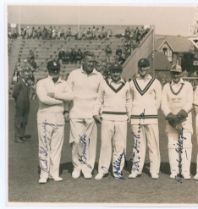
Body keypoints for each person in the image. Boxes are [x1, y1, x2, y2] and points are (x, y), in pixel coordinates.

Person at [67, 51, 103, 179]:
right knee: (77, 141)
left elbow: (100, 97)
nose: (91, 64)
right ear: (83, 61)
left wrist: (96, 112)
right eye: (88, 61)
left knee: (90, 143)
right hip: (76, 113)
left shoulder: (99, 76)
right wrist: (67, 110)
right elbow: (67, 94)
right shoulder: (73, 74)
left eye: (93, 62)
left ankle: (87, 167)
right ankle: (77, 166)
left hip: (91, 115)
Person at [36, 61, 73, 183]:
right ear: (48, 70)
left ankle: (54, 173)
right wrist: (60, 101)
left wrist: (55, 95)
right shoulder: (42, 83)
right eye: (52, 70)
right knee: (44, 147)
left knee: (56, 148)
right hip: (45, 118)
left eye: (56, 70)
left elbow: (71, 97)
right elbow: (43, 99)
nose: (54, 72)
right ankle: (44, 174)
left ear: (59, 70)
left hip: (59, 119)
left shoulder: (64, 83)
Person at [94, 63, 131, 180]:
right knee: (105, 144)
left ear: (121, 72)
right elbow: (99, 99)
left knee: (120, 145)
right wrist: (96, 113)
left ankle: (117, 170)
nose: (116, 74)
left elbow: (129, 100)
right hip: (107, 118)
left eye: (118, 72)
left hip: (121, 119)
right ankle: (103, 170)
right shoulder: (104, 84)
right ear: (110, 72)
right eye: (113, 72)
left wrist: (129, 114)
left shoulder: (126, 85)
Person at [128, 58, 162, 179]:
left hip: (151, 117)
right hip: (136, 117)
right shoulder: (132, 82)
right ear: (138, 68)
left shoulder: (155, 82)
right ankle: (136, 169)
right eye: (141, 67)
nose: (142, 69)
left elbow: (158, 100)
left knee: (153, 144)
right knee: (137, 144)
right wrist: (130, 114)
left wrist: (151, 110)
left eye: (145, 67)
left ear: (148, 68)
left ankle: (154, 170)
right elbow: (129, 100)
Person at [161, 64, 194, 179]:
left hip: (184, 120)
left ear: (181, 74)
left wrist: (179, 118)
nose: (176, 75)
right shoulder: (166, 87)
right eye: (173, 73)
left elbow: (190, 103)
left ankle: (185, 171)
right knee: (172, 145)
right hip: (171, 121)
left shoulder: (188, 86)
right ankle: (174, 171)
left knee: (186, 146)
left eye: (178, 73)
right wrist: (172, 119)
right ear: (171, 73)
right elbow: (164, 104)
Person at [12, 67, 34, 143]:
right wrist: (18, 101)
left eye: (28, 74)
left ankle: (21, 135)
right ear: (22, 75)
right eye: (26, 74)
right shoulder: (19, 83)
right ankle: (17, 137)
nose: (27, 75)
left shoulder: (26, 83)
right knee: (19, 120)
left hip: (26, 104)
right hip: (20, 104)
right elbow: (14, 93)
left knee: (24, 120)